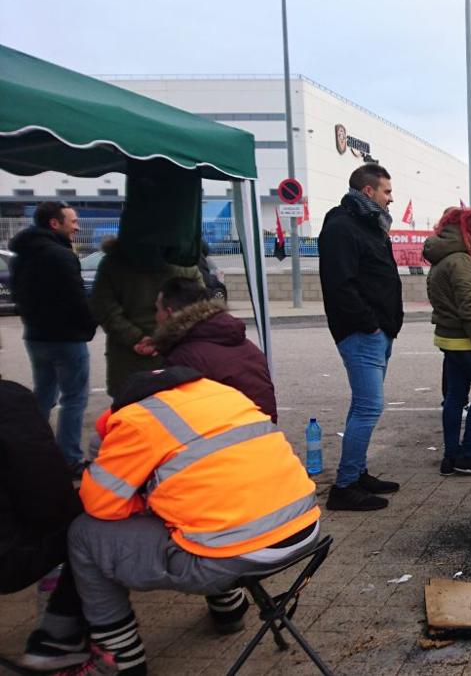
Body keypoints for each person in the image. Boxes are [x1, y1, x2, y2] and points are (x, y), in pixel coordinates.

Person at [69, 368, 321, 674]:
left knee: (84, 534)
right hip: (306, 532)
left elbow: (101, 505)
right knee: (200, 507)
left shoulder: (136, 420)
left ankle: (121, 658)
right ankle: (228, 610)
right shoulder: (226, 395)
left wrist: (143, 499)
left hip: (233, 556)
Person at [318, 163, 404, 510]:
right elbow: (341, 285)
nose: (391, 198)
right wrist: (369, 324)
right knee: (370, 406)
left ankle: (357, 473)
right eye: (387, 191)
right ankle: (344, 488)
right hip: (361, 332)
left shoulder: (369, 224)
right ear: (368, 191)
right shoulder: (342, 226)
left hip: (377, 331)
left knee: (363, 406)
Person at [1, 379, 88, 671]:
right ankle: (58, 637)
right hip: (9, 557)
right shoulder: (8, 402)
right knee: (93, 526)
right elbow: (47, 495)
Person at [8, 201, 96, 469]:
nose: (77, 227)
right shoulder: (60, 255)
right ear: (54, 224)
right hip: (66, 339)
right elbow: (76, 298)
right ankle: (69, 458)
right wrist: (89, 326)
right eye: (73, 222)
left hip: (35, 336)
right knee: (74, 398)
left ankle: (31, 451)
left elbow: (17, 295)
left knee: (43, 395)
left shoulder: (21, 255)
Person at [426, 206, 471, 476]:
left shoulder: (442, 257)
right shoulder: (461, 261)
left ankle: (450, 457)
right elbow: (470, 306)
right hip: (468, 342)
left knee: (455, 398)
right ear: (466, 230)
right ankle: (467, 456)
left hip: (449, 340)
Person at [149, 277, 277, 422]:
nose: (155, 317)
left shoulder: (184, 357)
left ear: (169, 312)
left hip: (227, 438)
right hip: (266, 435)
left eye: (157, 309)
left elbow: (176, 418)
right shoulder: (245, 345)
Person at [89, 238, 201, 399]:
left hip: (129, 360)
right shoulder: (183, 260)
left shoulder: (114, 262)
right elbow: (199, 305)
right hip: (178, 356)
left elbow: (102, 305)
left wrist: (136, 338)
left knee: (131, 415)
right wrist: (169, 337)